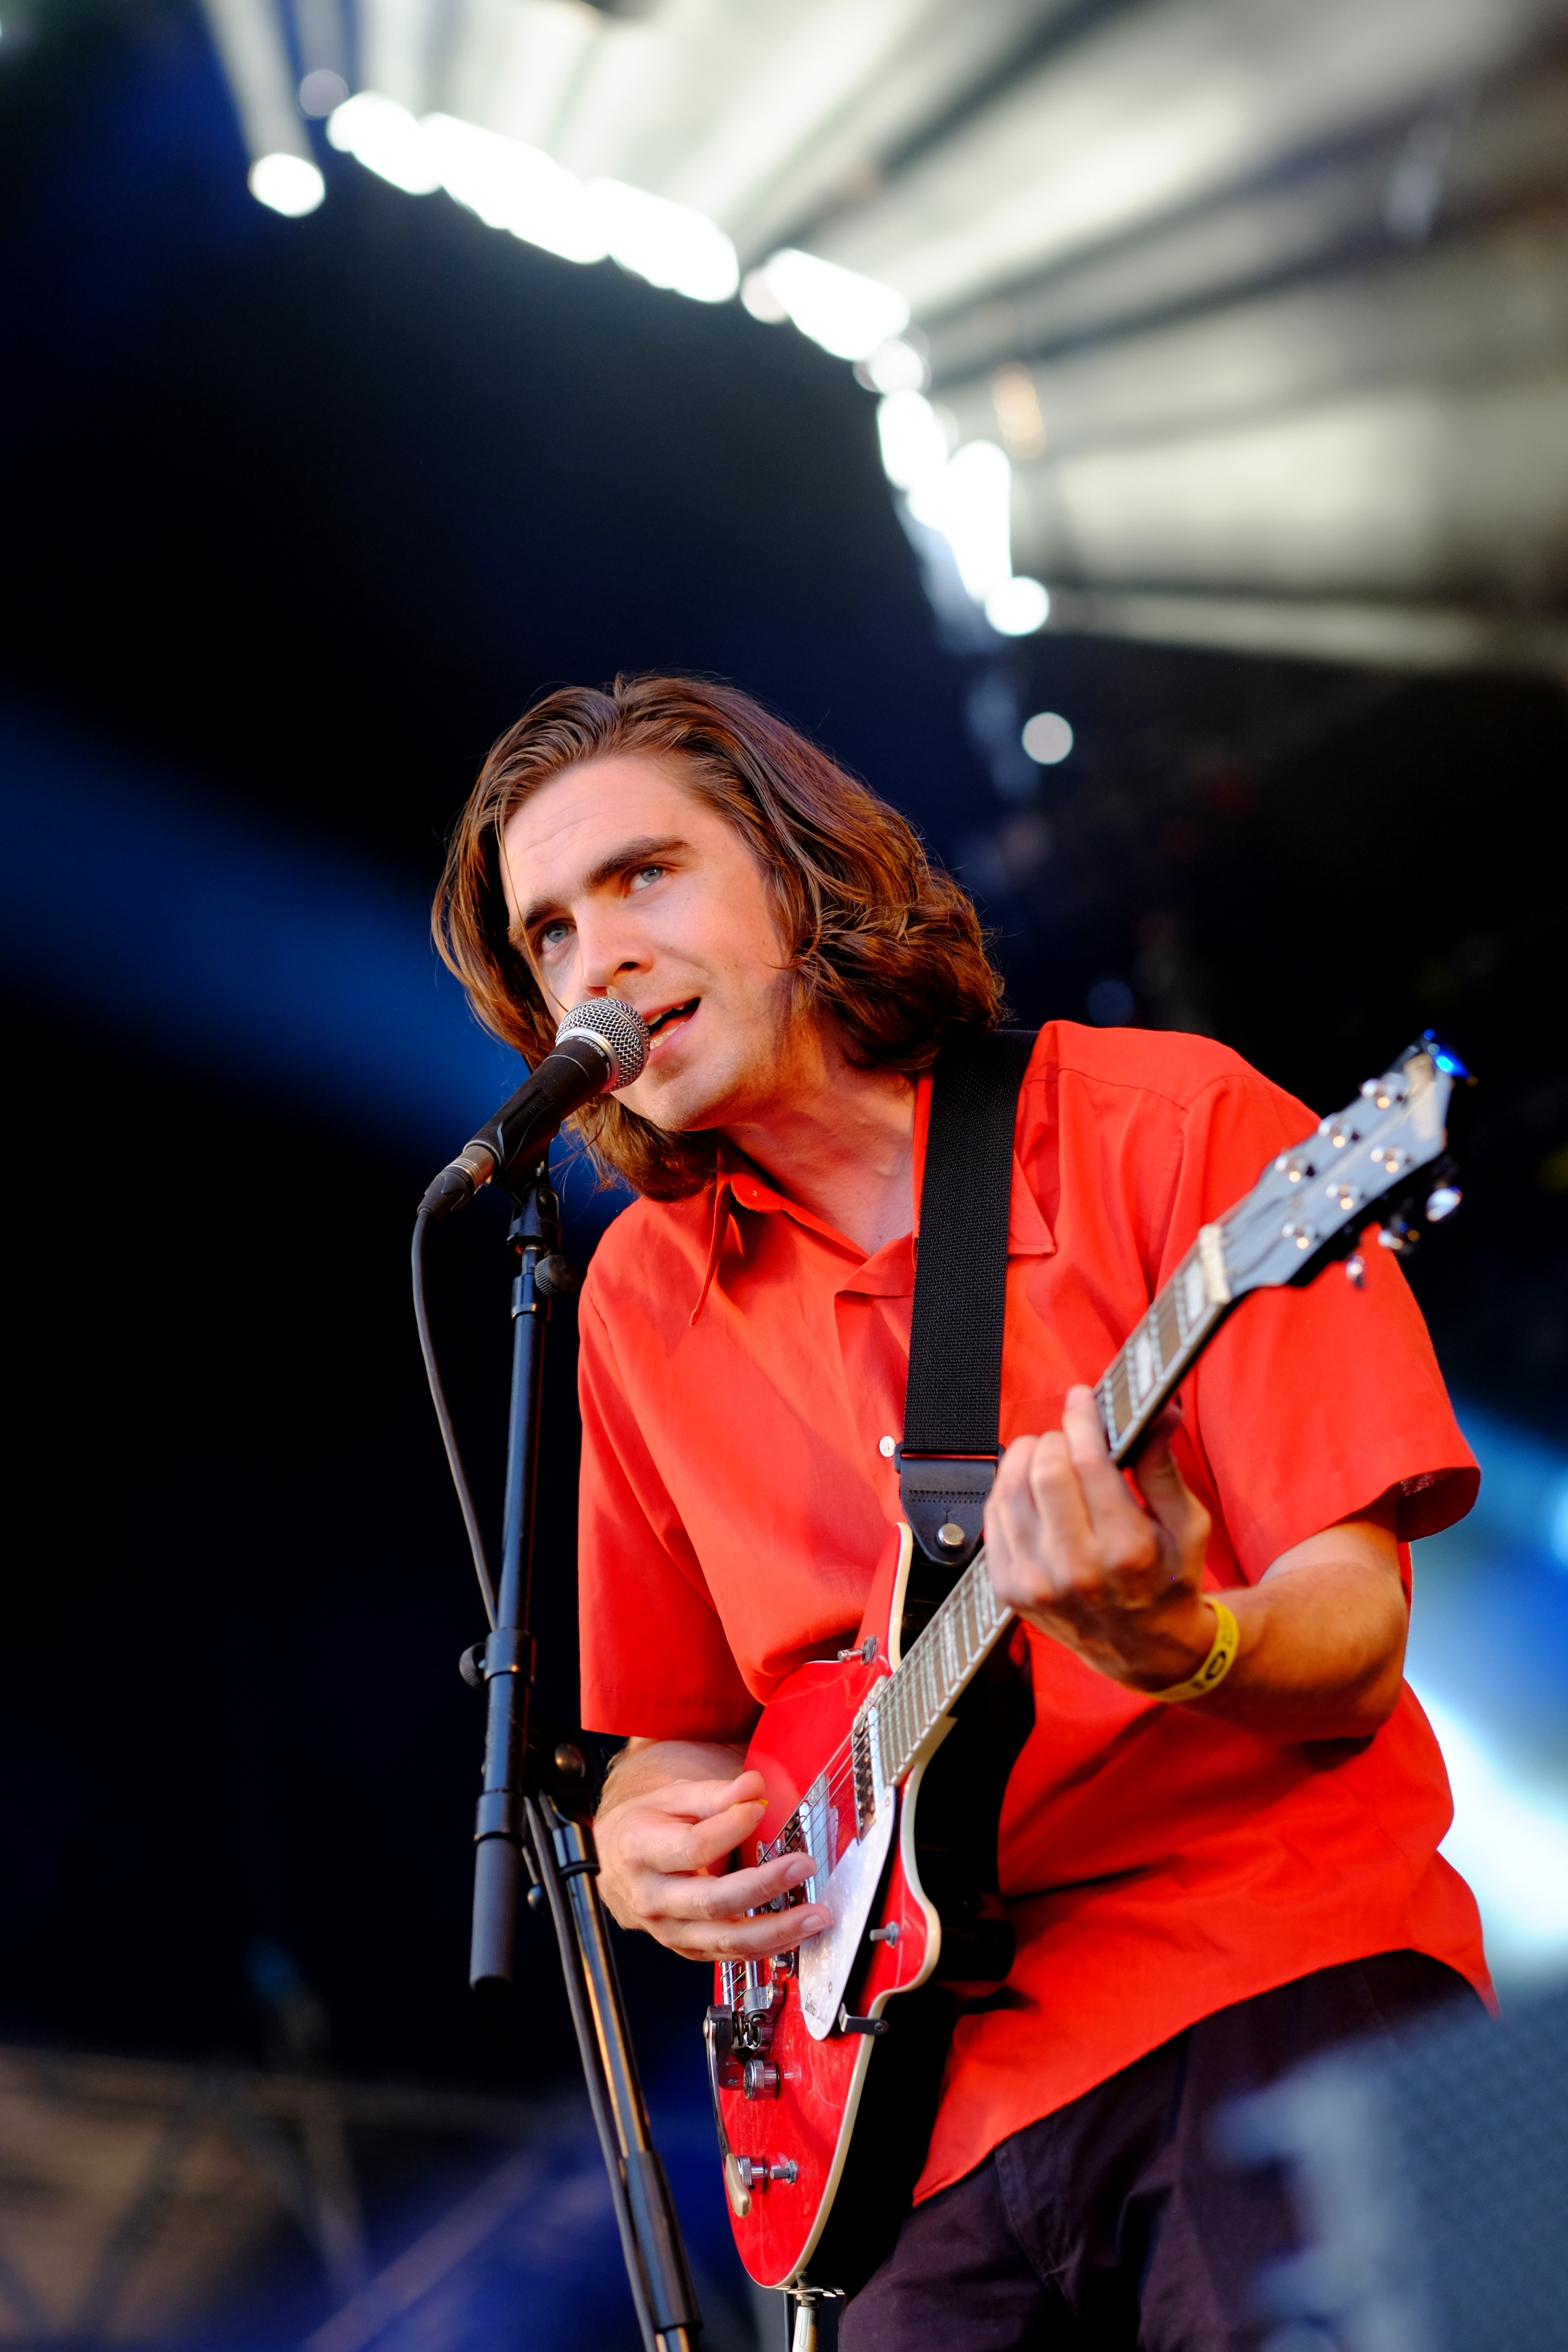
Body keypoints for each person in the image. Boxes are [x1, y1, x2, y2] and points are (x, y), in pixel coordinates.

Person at [435, 674, 1488, 2350]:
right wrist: (646, 1857)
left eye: (645, 876)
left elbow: (1354, 1636)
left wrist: (1180, 1642)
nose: (597, 960)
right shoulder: (635, 1301)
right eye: (550, 931)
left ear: (801, 876)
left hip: (1259, 1989)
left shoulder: (1170, 1123)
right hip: (899, 2141)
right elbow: (674, 1738)